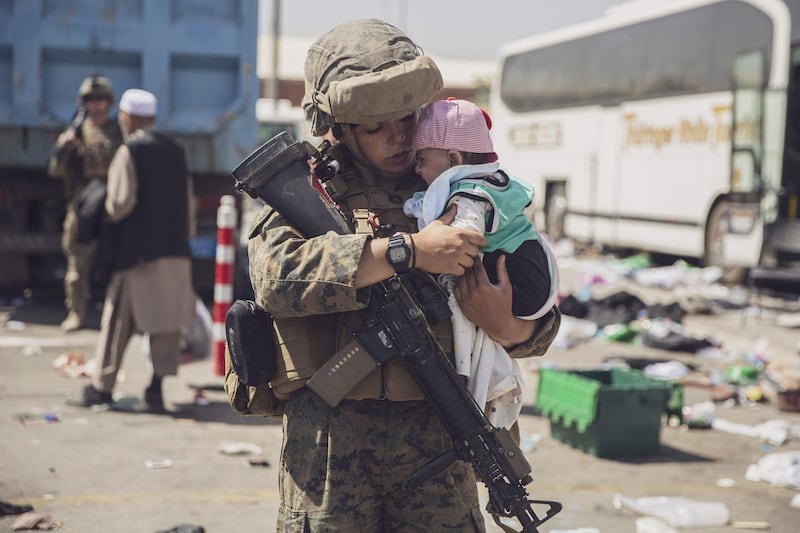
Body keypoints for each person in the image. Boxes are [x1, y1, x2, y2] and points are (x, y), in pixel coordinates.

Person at [247, 19, 561, 532]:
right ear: (342, 127)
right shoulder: (309, 191)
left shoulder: (463, 191)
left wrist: (507, 326)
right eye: (376, 127)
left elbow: (537, 307)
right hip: (331, 444)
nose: (399, 138)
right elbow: (276, 279)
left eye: (407, 119)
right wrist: (408, 250)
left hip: (439, 433)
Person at [405, 98, 559, 428]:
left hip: (519, 284)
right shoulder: (480, 182)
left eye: (421, 160)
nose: (416, 170)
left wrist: (424, 248)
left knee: (482, 360)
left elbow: (464, 233)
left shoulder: (470, 192)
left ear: (454, 159)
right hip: (519, 283)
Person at [67, 88, 195, 411]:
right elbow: (189, 205)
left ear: (129, 118)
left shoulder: (131, 151)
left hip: (137, 254)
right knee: (166, 325)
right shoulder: (177, 151)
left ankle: (103, 387)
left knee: (117, 321)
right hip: (174, 252)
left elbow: (120, 204)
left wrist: (103, 213)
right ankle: (155, 390)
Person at [48, 75, 124, 332]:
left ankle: (116, 315)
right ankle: (76, 313)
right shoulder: (76, 132)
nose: (95, 104)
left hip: (112, 203)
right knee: (77, 263)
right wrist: (64, 148)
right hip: (83, 204)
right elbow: (56, 170)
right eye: (90, 99)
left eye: (100, 98)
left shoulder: (119, 132)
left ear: (109, 102)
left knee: (117, 263)